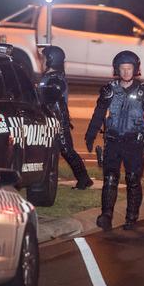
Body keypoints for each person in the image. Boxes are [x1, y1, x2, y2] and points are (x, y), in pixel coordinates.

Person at [84, 50, 144, 231]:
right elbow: (98, 114)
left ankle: (131, 216)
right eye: (123, 68)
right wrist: (90, 134)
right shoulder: (109, 90)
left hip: (134, 143)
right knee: (110, 179)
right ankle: (106, 215)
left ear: (135, 69)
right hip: (112, 141)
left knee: (133, 179)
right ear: (117, 69)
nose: (126, 72)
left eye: (129, 68)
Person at [37, 46, 93, 190]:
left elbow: (48, 97)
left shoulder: (56, 79)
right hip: (51, 119)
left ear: (51, 60)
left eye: (43, 58)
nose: (41, 61)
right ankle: (83, 179)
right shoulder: (49, 76)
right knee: (55, 150)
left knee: (67, 150)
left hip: (58, 120)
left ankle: (84, 179)